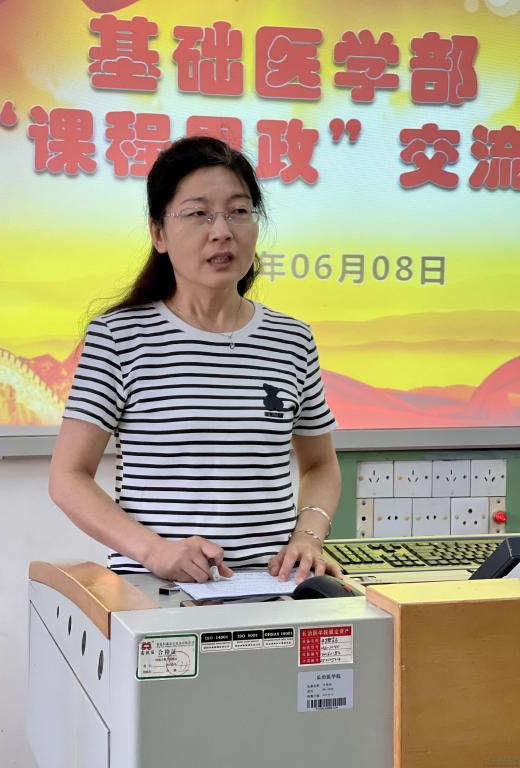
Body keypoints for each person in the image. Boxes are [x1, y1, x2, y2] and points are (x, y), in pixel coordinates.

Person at [49, 136, 342, 585]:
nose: (221, 230)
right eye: (198, 213)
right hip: (155, 592)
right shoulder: (119, 337)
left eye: (239, 211)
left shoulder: (292, 339)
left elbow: (320, 464)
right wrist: (154, 551)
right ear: (159, 234)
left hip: (270, 589)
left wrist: (308, 536)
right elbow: (68, 477)